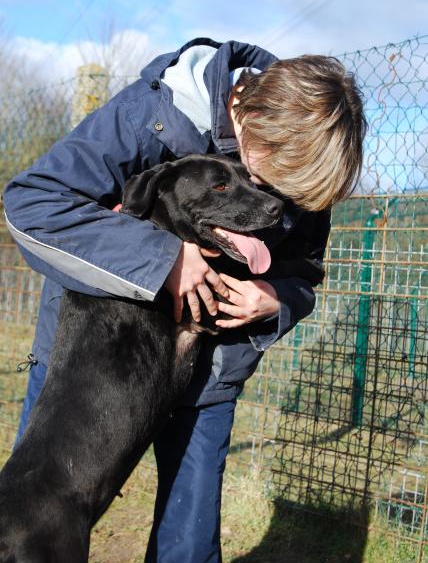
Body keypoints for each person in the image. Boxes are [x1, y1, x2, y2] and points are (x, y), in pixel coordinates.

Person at [3, 37, 366, 563]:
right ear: (256, 118)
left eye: (295, 194)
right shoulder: (148, 115)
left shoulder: (305, 164)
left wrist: (276, 298)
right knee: (36, 524)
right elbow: (32, 204)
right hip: (94, 359)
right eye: (275, 178)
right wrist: (163, 259)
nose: (275, 202)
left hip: (212, 368)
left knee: (190, 544)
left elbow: (304, 269)